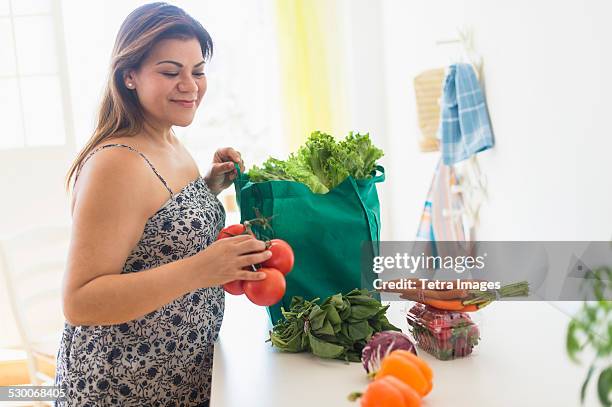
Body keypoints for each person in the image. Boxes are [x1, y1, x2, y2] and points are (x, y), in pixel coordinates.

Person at [56, 3, 269, 406]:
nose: (189, 85)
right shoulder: (115, 162)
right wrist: (203, 269)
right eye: (171, 72)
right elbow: (80, 301)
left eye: (198, 71)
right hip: (125, 388)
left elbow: (153, 232)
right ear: (130, 76)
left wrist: (208, 187)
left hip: (180, 374)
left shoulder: (167, 138)